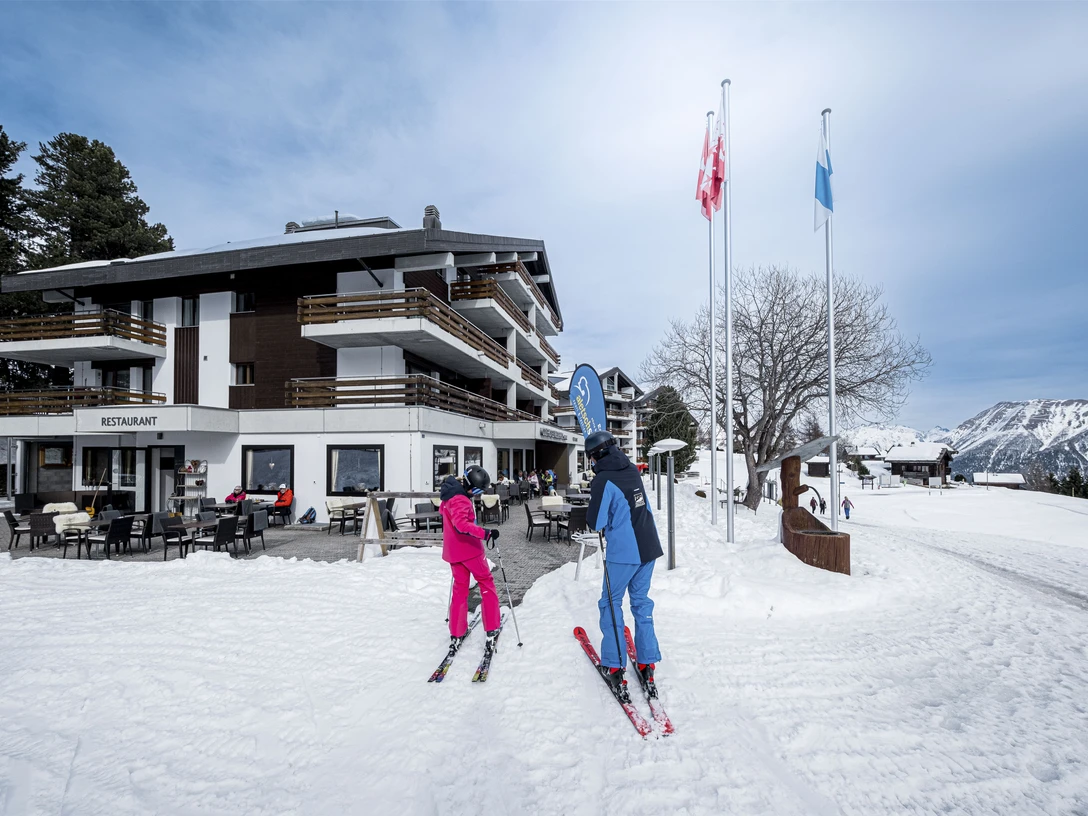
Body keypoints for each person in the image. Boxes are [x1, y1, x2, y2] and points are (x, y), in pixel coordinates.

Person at [585, 430, 663, 699]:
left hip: (624, 553)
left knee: (610, 602)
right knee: (641, 603)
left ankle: (615, 665)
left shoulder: (603, 479)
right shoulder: (631, 468)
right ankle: (647, 662)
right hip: (649, 546)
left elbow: (595, 523)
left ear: (594, 456)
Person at [440, 466, 502, 652]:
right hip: (469, 551)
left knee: (460, 590)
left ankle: (457, 631)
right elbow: (461, 525)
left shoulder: (450, 495)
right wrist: (486, 533)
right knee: (486, 584)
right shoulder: (460, 500)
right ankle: (492, 628)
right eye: (480, 490)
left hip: (454, 552)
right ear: (474, 488)